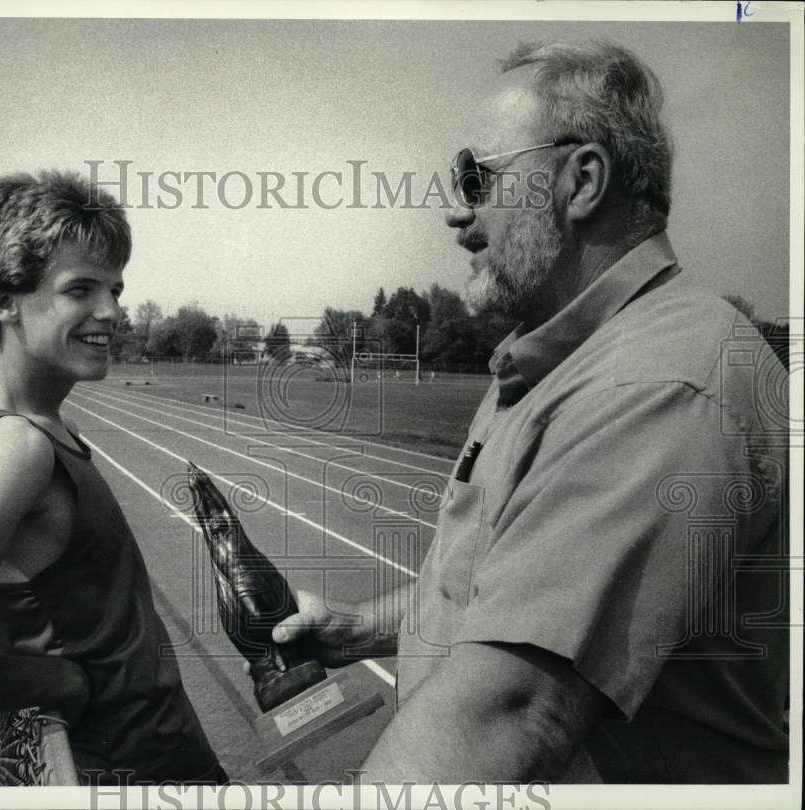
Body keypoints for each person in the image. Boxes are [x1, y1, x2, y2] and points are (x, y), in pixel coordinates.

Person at [272, 41, 789, 784]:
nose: (456, 210)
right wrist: (358, 630)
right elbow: (501, 592)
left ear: (582, 182)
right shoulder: (556, 359)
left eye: (476, 177)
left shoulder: (654, 388)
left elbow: (513, 712)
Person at [0, 171, 226, 785]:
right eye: (79, 289)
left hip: (160, 758)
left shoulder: (38, 428)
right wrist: (60, 679)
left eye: (115, 288)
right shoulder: (11, 448)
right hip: (129, 771)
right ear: (4, 300)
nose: (112, 311)